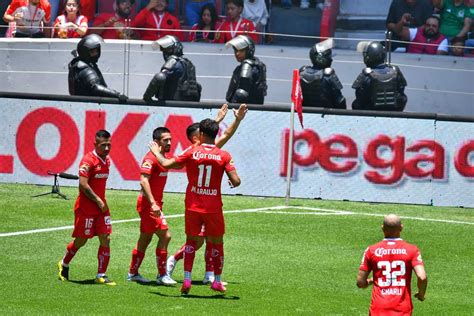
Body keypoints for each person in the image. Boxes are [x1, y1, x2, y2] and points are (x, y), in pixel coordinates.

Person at [150, 118, 241, 295]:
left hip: (193, 205)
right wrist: (230, 180)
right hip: (213, 207)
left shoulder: (192, 152)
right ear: (216, 134)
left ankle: (187, 279)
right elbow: (236, 181)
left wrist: (156, 152)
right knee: (217, 243)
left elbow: (166, 164)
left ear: (200, 135)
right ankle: (217, 281)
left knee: (191, 242)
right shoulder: (224, 155)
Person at [166, 104, 248, 285]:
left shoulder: (199, 149)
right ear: (196, 137)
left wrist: (229, 120)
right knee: (201, 241)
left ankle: (208, 274)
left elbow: (222, 134)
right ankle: (174, 260)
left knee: (208, 239)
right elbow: (222, 136)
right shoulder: (192, 151)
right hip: (203, 204)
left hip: (199, 203)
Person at [57, 130, 116, 286]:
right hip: (87, 207)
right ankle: (64, 263)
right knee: (81, 241)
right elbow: (83, 185)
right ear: (95, 144)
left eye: (109, 145)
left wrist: (101, 202)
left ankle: (101, 274)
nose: (107, 148)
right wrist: (97, 200)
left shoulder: (107, 160)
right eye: (103, 145)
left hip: (101, 207)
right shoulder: (88, 160)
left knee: (106, 237)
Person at [127, 127, 177, 285]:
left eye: (170, 139)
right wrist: (154, 204)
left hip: (154, 204)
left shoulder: (163, 158)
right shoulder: (151, 158)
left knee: (145, 238)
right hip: (149, 205)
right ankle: (162, 275)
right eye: (165, 140)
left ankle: (132, 273)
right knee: (165, 236)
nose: (169, 142)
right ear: (156, 142)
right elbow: (143, 180)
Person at [357, 214, 428, 315]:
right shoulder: (412, 250)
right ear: (401, 228)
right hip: (402, 309)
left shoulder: (371, 250)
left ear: (382, 228)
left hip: (378, 309)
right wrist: (421, 294)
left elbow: (360, 282)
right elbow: (422, 277)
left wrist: (370, 281)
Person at [68, 34, 128, 101]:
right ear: (85, 52)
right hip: (89, 106)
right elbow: (96, 87)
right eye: (92, 52)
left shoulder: (78, 65)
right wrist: (117, 95)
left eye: (97, 51)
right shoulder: (85, 69)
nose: (96, 54)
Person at [143, 35, 201, 102]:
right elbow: (197, 87)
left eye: (168, 50)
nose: (165, 52)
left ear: (176, 48)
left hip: (171, 105)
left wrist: (146, 97)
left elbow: (160, 77)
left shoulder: (173, 62)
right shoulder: (189, 64)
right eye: (164, 50)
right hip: (188, 106)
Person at [352, 41, 407, 111]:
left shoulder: (366, 75)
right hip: (393, 112)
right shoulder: (395, 71)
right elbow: (402, 92)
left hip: (371, 114)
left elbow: (359, 98)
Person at [299, 39, 346, 109]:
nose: (331, 59)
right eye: (329, 57)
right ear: (320, 59)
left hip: (305, 115)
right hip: (326, 116)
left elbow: (295, 97)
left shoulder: (302, 72)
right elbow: (340, 101)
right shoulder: (328, 75)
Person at [225, 35, 267, 104]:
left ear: (249, 50)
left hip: (244, 109)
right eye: (235, 50)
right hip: (252, 107)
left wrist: (232, 107)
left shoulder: (247, 66)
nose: (237, 53)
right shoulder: (257, 64)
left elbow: (241, 93)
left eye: (241, 50)